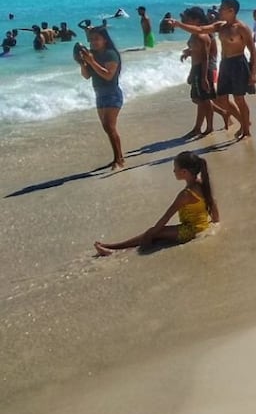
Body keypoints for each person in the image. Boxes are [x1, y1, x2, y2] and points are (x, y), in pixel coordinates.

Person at [93, 151, 219, 256]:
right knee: (156, 234)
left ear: (184, 172)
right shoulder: (202, 183)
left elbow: (166, 217)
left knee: (154, 233)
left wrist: (151, 233)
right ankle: (114, 247)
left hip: (191, 231)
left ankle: (116, 251)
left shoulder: (186, 194)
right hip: (200, 226)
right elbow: (214, 206)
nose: (173, 171)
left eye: (175, 169)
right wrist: (215, 223)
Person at [169, 0, 256, 139]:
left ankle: (246, 130)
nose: (219, 9)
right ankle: (245, 122)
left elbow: (253, 51)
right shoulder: (220, 26)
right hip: (225, 64)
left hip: (238, 63)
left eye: (222, 8)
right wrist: (179, 25)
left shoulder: (241, 28)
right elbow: (200, 29)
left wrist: (253, 74)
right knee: (221, 99)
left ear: (231, 10)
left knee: (239, 99)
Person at [78, 27, 125, 169]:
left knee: (110, 127)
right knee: (107, 128)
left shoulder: (111, 54)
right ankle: (117, 157)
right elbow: (86, 76)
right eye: (91, 39)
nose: (93, 42)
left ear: (105, 39)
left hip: (112, 93)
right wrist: (82, 63)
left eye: (96, 39)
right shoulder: (92, 54)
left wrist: (92, 61)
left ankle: (119, 159)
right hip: (99, 93)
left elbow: (108, 75)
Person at [179, 6, 229, 138]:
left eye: (188, 19)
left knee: (204, 99)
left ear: (196, 19)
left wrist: (203, 78)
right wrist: (189, 53)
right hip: (197, 67)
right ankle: (217, 116)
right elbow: (198, 50)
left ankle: (209, 126)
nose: (186, 21)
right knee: (201, 99)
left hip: (204, 68)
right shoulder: (196, 33)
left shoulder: (203, 34)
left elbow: (206, 57)